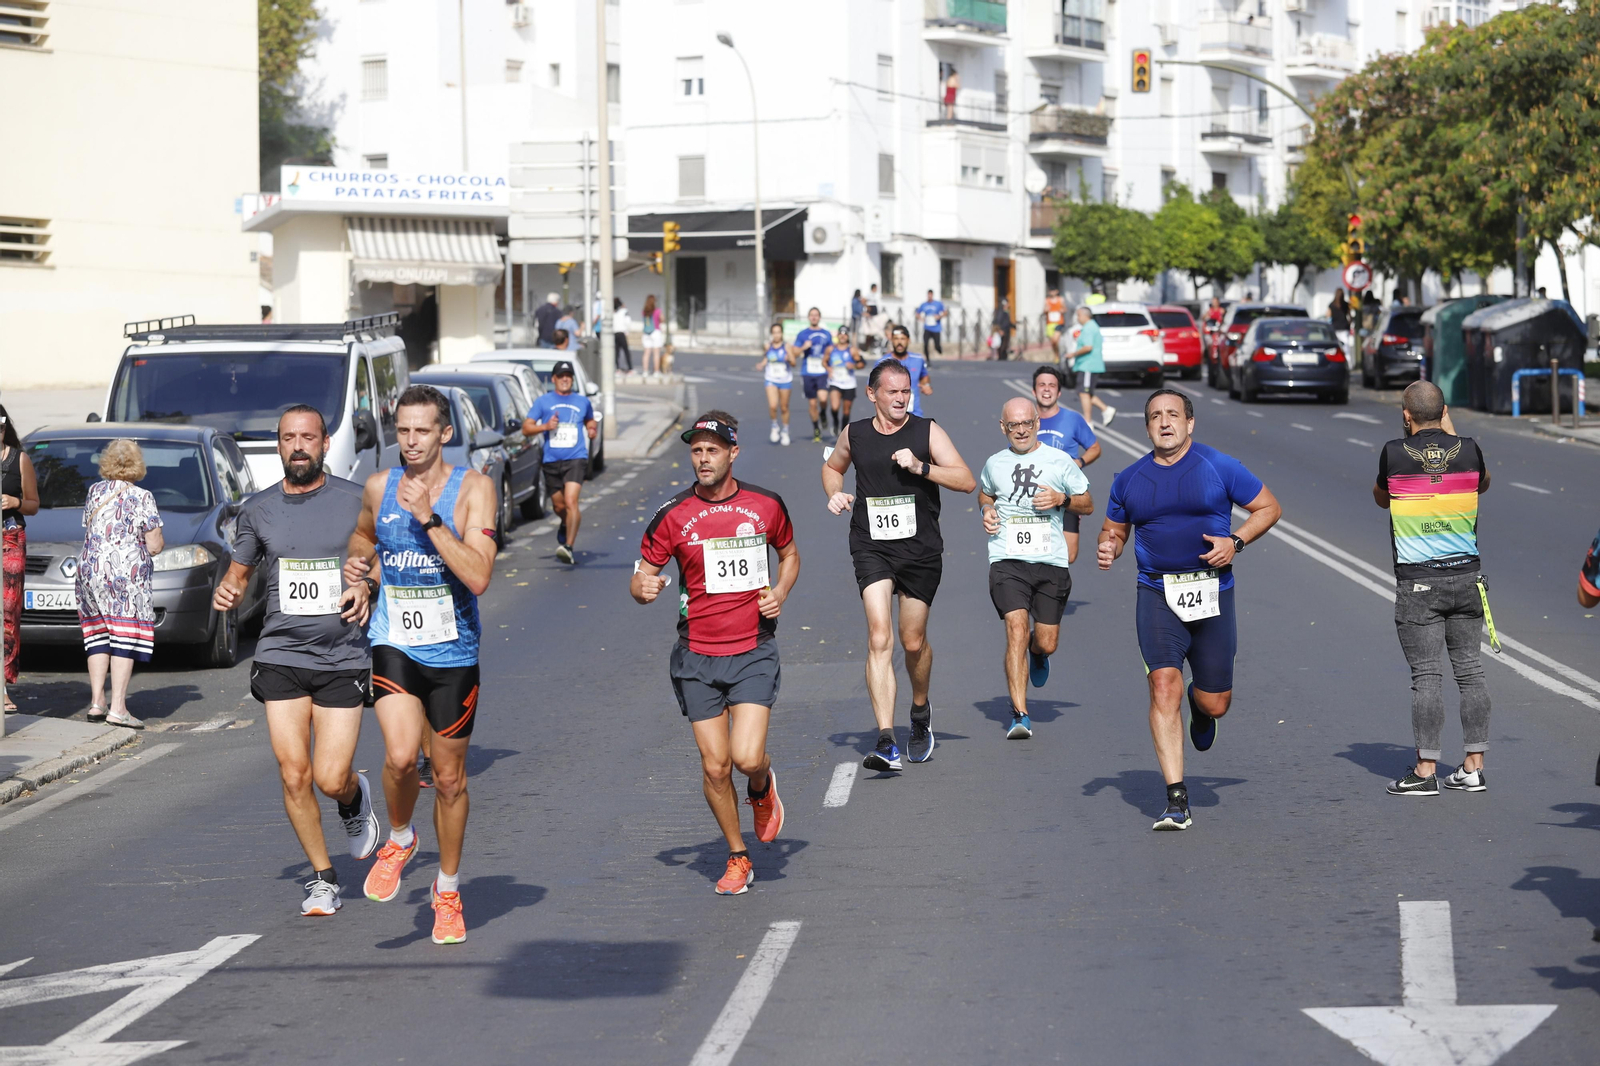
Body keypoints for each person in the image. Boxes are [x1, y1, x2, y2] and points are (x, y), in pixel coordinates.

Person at [212, 405, 381, 917]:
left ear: (326, 444)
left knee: (330, 777)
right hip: (281, 651)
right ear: (279, 445)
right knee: (293, 774)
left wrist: (369, 585)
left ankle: (353, 799)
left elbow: (382, 559)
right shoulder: (258, 509)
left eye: (308, 437)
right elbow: (240, 573)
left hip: (342, 653)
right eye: (289, 438)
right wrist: (229, 590)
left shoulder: (357, 501)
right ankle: (322, 877)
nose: (299, 446)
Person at [344, 384, 498, 945]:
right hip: (394, 641)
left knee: (452, 779)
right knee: (401, 755)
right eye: (403, 431)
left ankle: (449, 890)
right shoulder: (379, 486)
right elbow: (362, 539)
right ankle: (403, 836)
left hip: (454, 652)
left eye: (422, 431)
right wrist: (357, 577)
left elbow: (479, 576)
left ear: (445, 433)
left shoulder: (475, 490)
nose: (410, 442)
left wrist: (431, 519)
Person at [1096, 390, 1281, 831]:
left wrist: (1235, 542)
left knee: (1216, 703)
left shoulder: (1218, 466)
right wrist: (1110, 546)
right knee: (1163, 687)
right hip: (1156, 594)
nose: (1165, 423)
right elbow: (1114, 529)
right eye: (1156, 416)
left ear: (1190, 423)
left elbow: (1269, 507)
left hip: (1212, 592)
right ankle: (1176, 799)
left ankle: (1201, 710)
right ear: (1146, 427)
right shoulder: (1129, 479)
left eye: (1173, 415)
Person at [632, 412, 800, 895]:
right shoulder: (674, 513)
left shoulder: (765, 505)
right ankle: (737, 855)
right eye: (696, 450)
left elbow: (789, 554)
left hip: (751, 649)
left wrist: (781, 592)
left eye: (712, 450)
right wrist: (641, 588)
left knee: (746, 759)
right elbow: (640, 574)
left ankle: (762, 785)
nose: (703, 458)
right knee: (713, 766)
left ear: (732, 454)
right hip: (696, 656)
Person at [823, 360, 976, 770]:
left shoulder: (926, 431)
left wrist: (921, 467)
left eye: (905, 391)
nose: (900, 398)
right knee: (878, 636)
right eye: (892, 392)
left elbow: (966, 480)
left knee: (912, 642)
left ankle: (921, 712)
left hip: (920, 550)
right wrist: (835, 493)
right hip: (871, 545)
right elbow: (832, 466)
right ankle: (886, 739)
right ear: (872, 394)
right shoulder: (854, 433)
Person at [1373, 381, 1493, 797]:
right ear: (1444, 411)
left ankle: (1426, 771)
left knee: (1427, 676)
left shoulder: (1393, 453)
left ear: (1407, 415)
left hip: (1419, 582)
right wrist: (1449, 430)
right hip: (1468, 578)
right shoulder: (1471, 450)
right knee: (1470, 673)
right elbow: (1483, 482)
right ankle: (1473, 767)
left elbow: (1381, 499)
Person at [980, 397, 1092, 739]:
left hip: (1050, 560)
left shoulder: (1060, 461)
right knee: (1015, 628)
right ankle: (1019, 714)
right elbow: (985, 494)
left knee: (1046, 641)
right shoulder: (994, 463)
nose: (1021, 431)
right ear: (1003, 428)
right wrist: (986, 510)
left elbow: (1087, 503)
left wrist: (1062, 499)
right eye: (1013, 425)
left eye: (1027, 423)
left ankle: (1037, 652)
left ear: (1037, 424)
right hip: (1007, 559)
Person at [75, 439, 163, 729]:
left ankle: (98, 702)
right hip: (123, 576)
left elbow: (91, 528)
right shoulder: (143, 496)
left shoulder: (94, 491)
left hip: (89, 571)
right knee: (123, 636)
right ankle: (118, 708)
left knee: (98, 634)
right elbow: (153, 545)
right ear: (137, 464)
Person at [523, 360, 597, 565]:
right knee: (558, 505)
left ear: (572, 379)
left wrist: (592, 429)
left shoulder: (582, 401)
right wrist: (545, 426)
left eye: (569, 375)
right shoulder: (543, 402)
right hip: (551, 460)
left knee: (571, 501)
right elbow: (526, 428)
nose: (565, 379)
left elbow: (590, 420)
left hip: (576, 458)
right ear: (553, 379)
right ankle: (565, 523)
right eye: (561, 375)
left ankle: (568, 547)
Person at [1032, 365, 1101, 564]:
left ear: (1059, 391)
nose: (1046, 389)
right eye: (1042, 385)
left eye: (1052, 385)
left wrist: (1079, 461)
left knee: (1069, 555)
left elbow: (1095, 448)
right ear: (1034, 391)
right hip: (1035, 495)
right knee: (1035, 551)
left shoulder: (1072, 419)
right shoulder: (1027, 421)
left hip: (1066, 494)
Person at [1, 405, 38, 707]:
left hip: (10, 538)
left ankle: (3, 686)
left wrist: (15, 501)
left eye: (0, 426)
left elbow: (34, 504)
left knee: (8, 612)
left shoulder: (19, 459)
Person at [1067, 305, 1116, 426]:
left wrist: (1073, 354)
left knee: (1084, 392)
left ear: (1084, 315)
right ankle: (1105, 409)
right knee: (1084, 392)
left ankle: (1088, 421)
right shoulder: (1090, 327)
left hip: (1088, 365)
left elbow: (1088, 347)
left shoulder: (1089, 328)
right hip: (1086, 364)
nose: (1077, 318)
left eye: (1078, 315)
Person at [794, 307, 834, 443]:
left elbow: (831, 351)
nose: (814, 317)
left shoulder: (826, 334)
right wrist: (803, 348)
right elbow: (794, 352)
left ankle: (823, 412)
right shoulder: (802, 334)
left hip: (822, 371)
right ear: (808, 317)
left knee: (823, 399)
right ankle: (816, 429)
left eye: (816, 315)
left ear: (820, 317)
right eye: (811, 315)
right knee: (812, 404)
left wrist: (830, 366)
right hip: (808, 372)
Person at [879, 324, 933, 417]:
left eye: (903, 339)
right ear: (891, 340)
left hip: (914, 414)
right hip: (890, 417)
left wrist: (926, 385)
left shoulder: (918, 359)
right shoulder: (883, 362)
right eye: (896, 339)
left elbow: (924, 376)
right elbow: (870, 388)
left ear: (909, 340)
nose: (899, 342)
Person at [758, 323, 796, 447]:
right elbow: (766, 358)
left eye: (778, 332)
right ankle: (774, 426)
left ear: (782, 333)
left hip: (785, 380)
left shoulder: (787, 346)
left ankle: (785, 430)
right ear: (771, 334)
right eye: (774, 332)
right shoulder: (767, 346)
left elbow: (794, 363)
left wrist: (789, 357)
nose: (776, 335)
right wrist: (762, 364)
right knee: (773, 405)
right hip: (771, 379)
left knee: (784, 407)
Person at [826, 325, 866, 437]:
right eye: (841, 334)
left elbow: (862, 364)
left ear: (847, 336)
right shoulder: (831, 349)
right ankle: (835, 422)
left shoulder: (852, 350)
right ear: (838, 335)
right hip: (835, 382)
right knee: (834, 407)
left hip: (849, 383)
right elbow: (824, 361)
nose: (842, 336)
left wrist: (854, 365)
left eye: (845, 334)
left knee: (846, 411)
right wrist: (828, 368)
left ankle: (842, 433)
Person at [915, 289, 946, 358]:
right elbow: (917, 314)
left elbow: (945, 312)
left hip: (936, 328)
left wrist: (939, 316)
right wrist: (921, 318)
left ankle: (939, 349)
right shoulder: (924, 304)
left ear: (932, 295)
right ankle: (928, 360)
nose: (929, 296)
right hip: (927, 328)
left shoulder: (938, 304)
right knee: (925, 344)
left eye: (930, 295)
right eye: (928, 295)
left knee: (937, 345)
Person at [641, 295, 664, 379]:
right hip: (655, 332)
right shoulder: (657, 311)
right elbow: (662, 319)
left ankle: (645, 371)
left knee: (646, 353)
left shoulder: (644, 311)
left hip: (646, 333)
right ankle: (656, 372)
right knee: (656, 353)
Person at [613, 297, 634, 376]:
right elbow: (628, 322)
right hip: (622, 333)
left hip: (614, 333)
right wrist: (627, 330)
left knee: (617, 352)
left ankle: (618, 368)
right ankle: (630, 368)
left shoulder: (613, 312)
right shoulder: (624, 311)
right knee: (626, 352)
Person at [1044, 288, 1067, 357]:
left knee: (1055, 340)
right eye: (1050, 291)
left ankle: (1059, 354)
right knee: (1053, 342)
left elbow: (1065, 309)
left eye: (1053, 290)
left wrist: (1062, 310)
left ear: (1057, 291)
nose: (1051, 292)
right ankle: (1056, 355)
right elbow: (1044, 310)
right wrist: (1046, 310)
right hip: (1050, 323)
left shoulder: (1061, 299)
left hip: (1058, 322)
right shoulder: (1047, 300)